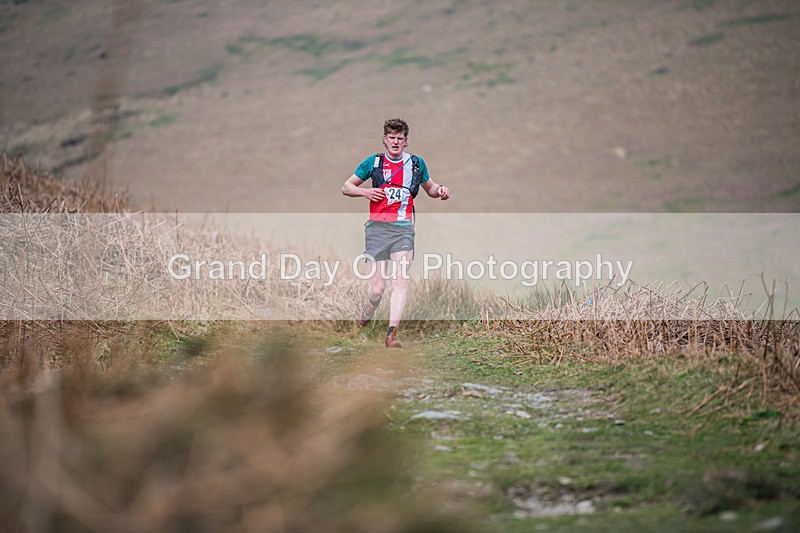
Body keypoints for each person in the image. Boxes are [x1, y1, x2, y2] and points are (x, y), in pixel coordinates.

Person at [341, 118, 450, 348]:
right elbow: (346, 187)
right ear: (385, 139)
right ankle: (370, 305)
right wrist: (366, 192)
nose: (396, 142)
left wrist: (440, 190)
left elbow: (430, 188)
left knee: (399, 281)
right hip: (377, 230)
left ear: (406, 141)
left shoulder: (417, 164)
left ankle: (391, 335)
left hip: (403, 230)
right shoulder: (373, 163)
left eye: (400, 138)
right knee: (378, 287)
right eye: (392, 137)